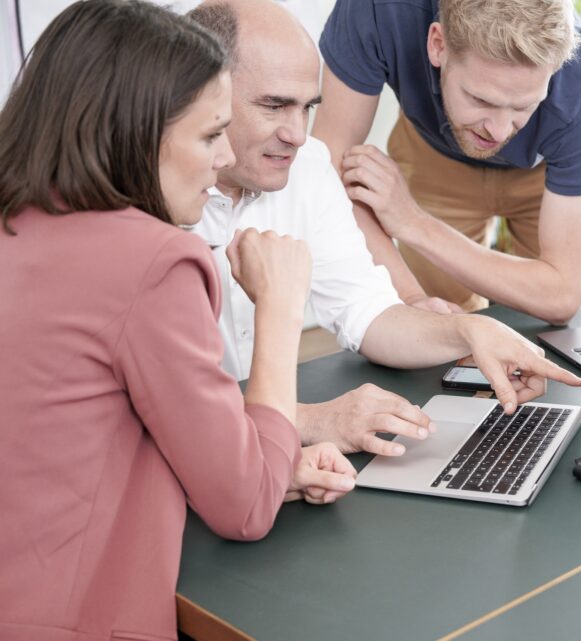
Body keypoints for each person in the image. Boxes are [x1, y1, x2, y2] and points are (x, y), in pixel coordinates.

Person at [0, 3, 354, 640]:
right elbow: (244, 506)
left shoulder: (19, 222)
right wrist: (278, 309)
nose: (222, 160)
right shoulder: (155, 261)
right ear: (136, 130)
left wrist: (262, 460)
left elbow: (73, 434)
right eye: (210, 134)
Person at [187, 0, 581, 458]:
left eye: (308, 108)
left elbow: (367, 312)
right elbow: (160, 403)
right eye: (275, 106)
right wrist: (314, 420)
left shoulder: (309, 167)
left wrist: (470, 332)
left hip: (245, 452)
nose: (297, 134)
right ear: (201, 92)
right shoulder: (140, 204)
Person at [313, 0, 581, 325]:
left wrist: (414, 223)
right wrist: (411, 298)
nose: (501, 131)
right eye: (481, 99)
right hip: (432, 154)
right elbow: (327, 169)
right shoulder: (379, 9)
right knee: (440, 331)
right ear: (438, 44)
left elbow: (561, 296)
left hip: (547, 174)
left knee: (567, 334)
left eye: (524, 106)